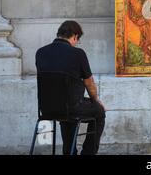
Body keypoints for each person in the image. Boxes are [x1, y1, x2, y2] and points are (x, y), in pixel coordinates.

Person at [35, 20, 106, 155]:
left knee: (66, 109)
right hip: (71, 107)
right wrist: (96, 100)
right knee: (99, 112)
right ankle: (88, 153)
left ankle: (69, 152)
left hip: (47, 108)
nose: (76, 44)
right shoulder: (77, 54)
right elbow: (89, 83)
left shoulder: (40, 52)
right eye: (77, 40)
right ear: (74, 36)